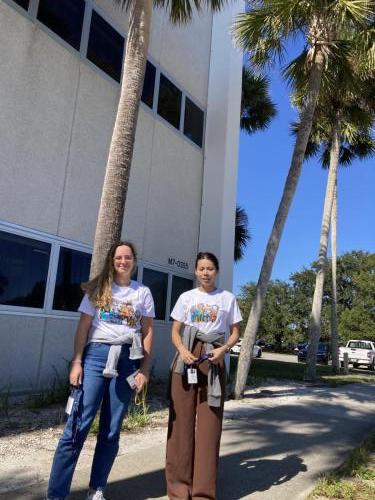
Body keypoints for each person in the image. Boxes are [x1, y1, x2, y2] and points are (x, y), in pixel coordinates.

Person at [47, 241, 154, 500]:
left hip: (127, 360)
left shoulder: (143, 292)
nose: (123, 261)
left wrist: (144, 370)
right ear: (111, 260)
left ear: (134, 261)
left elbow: (147, 331)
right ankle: (56, 495)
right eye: (118, 257)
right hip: (96, 357)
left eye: (128, 257)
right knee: (77, 426)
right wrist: (77, 362)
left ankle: (96, 489)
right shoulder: (98, 288)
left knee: (111, 430)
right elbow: (83, 328)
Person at [166, 252, 242, 500]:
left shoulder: (227, 298)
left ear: (216, 271)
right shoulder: (186, 297)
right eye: (201, 268)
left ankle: (203, 493)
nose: (206, 272)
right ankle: (179, 489)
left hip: (214, 359)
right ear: (196, 271)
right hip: (187, 360)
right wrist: (183, 351)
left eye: (210, 268)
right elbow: (175, 331)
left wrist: (224, 349)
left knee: (210, 426)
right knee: (181, 426)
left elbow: (234, 332)